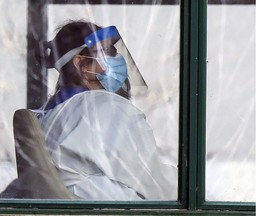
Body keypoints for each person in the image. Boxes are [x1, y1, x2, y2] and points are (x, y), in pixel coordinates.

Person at [35, 20, 177, 200]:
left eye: (114, 51)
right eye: (107, 52)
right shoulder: (103, 107)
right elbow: (151, 179)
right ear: (81, 64)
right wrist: (196, 193)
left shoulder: (56, 110)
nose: (117, 58)